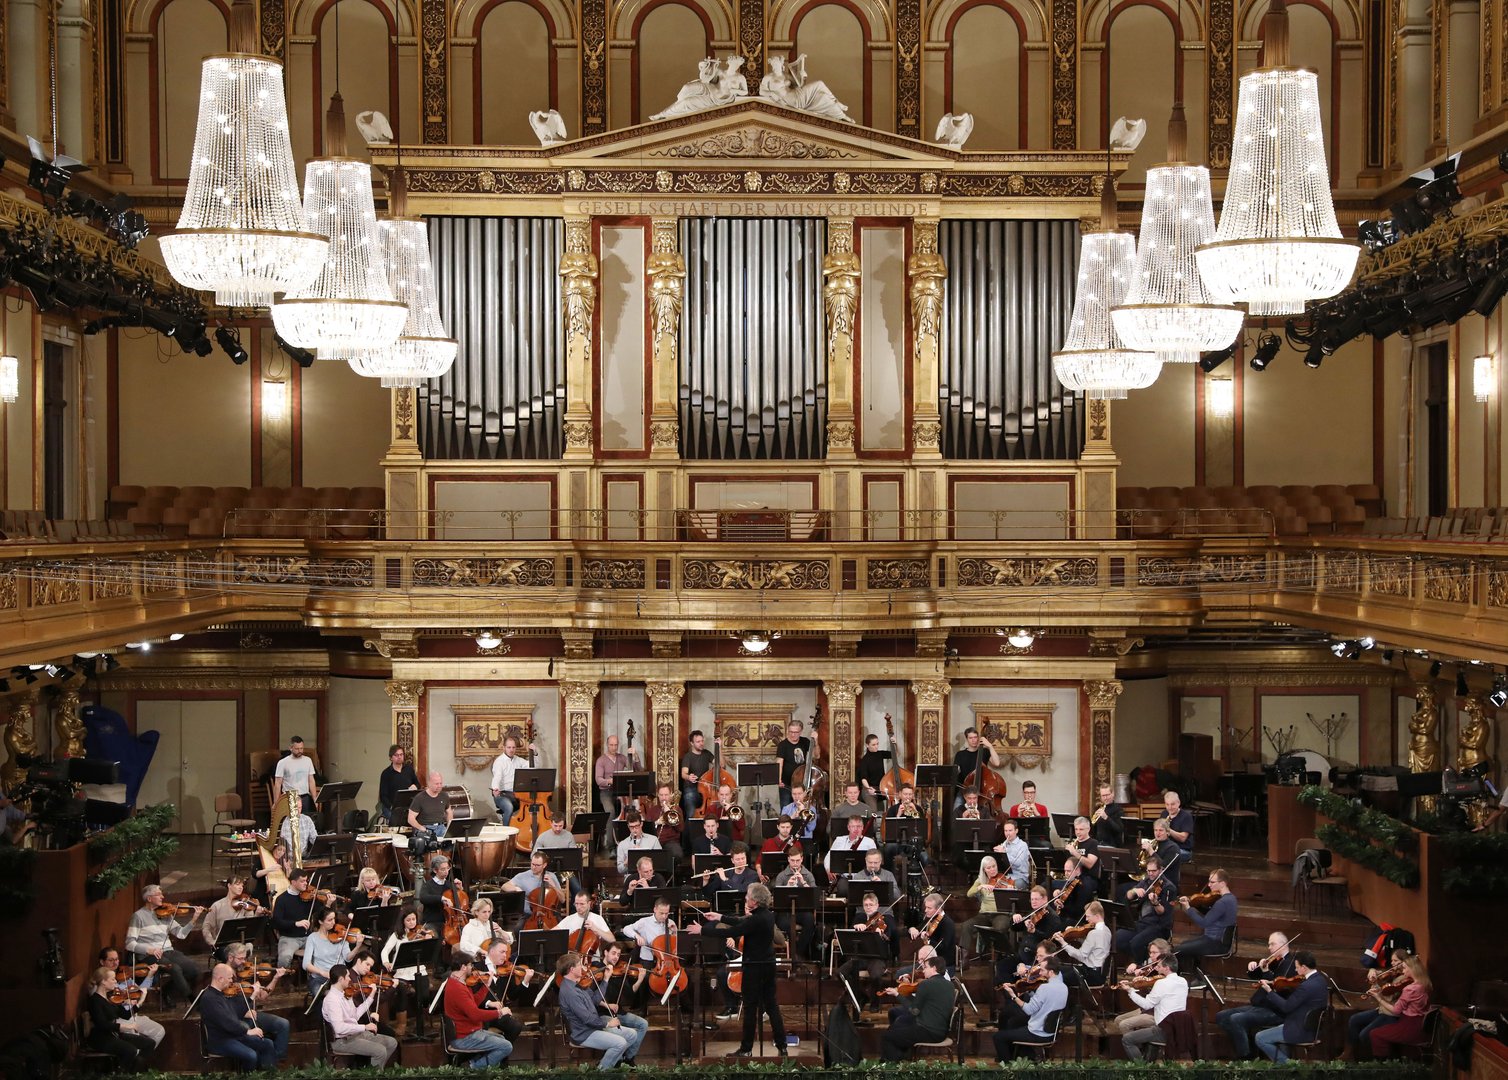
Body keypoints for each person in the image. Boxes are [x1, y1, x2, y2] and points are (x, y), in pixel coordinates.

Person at [688, 882, 787, 1058]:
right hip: (768, 966)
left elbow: (733, 930)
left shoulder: (756, 919)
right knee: (772, 1006)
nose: (745, 898)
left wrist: (702, 929)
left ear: (755, 902)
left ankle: (746, 1049)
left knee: (750, 1009)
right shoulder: (767, 915)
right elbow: (742, 921)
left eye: (747, 896)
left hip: (754, 968)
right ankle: (782, 1047)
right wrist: (719, 917)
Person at [556, 949, 649, 1069]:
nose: (584, 968)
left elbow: (595, 999)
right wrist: (608, 1022)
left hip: (593, 1026)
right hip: (584, 1033)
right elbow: (587, 1019)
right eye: (580, 965)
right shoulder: (570, 992)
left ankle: (611, 1063)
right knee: (620, 1043)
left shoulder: (579, 983)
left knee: (632, 1035)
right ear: (572, 970)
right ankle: (601, 1072)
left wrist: (605, 979)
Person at [1217, 932, 1298, 1059]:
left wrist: (1266, 972)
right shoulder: (1275, 961)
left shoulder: (1291, 964)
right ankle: (1249, 1047)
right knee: (1221, 1016)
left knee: (1236, 1019)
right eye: (1268, 944)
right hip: (1260, 1005)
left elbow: (1278, 986)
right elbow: (1254, 975)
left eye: (1272, 944)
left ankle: (1245, 1057)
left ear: (1283, 945)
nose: (1269, 947)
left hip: (1275, 1010)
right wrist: (1253, 967)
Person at [124, 884, 205, 1005]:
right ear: (149, 898)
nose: (162, 897)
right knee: (175, 968)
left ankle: (167, 991)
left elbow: (181, 934)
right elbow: (129, 944)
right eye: (158, 894)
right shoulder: (138, 916)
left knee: (193, 969)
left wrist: (194, 919)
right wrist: (149, 950)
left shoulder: (166, 914)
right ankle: (191, 999)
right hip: (149, 955)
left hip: (168, 951)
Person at [1348, 952, 1431, 1060]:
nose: (1402, 970)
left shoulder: (1409, 987)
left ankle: (1376, 1063)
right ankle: (1353, 1054)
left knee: (1371, 1034)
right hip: (1415, 1021)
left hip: (1403, 1021)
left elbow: (1396, 1009)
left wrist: (1378, 997)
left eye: (1404, 967)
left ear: (1412, 969)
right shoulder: (1425, 983)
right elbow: (1385, 991)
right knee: (1354, 1020)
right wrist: (1374, 975)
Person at [201, 962, 282, 1070]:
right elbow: (226, 1022)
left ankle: (269, 1074)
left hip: (232, 1035)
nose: (231, 981)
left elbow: (236, 1012)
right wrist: (247, 1031)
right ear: (220, 979)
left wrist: (252, 997)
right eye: (229, 978)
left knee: (267, 1044)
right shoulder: (210, 998)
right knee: (251, 1055)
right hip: (220, 1041)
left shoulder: (220, 995)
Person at [1252, 951, 1330, 1063]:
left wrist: (1270, 992)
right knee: (1279, 1027)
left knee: (1260, 1037)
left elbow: (1286, 1007)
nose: (1295, 970)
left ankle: (1289, 1066)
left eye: (1297, 967)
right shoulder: (1321, 980)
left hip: (1301, 1030)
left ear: (1303, 967)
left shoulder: (1306, 986)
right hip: (1312, 1029)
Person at [442, 956, 514, 1067]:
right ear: (463, 967)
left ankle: (477, 1064)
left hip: (468, 1032)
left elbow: (472, 1002)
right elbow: (475, 1015)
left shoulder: (457, 983)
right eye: (470, 965)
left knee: (501, 1039)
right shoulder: (457, 989)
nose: (472, 968)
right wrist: (500, 1012)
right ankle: (473, 1068)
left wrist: (486, 986)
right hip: (464, 1037)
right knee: (506, 1046)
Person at [323, 963, 398, 1068]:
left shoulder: (346, 994)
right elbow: (339, 1028)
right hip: (342, 1041)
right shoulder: (332, 1000)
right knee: (380, 1051)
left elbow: (355, 1015)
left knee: (391, 1042)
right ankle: (373, 1074)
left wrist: (371, 996)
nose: (350, 979)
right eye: (348, 976)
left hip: (355, 1034)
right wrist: (365, 1027)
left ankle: (374, 1071)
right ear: (341, 979)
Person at [994, 955, 1068, 1060]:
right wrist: (1028, 990)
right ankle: (1024, 1056)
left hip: (1037, 1033)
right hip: (1052, 1032)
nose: (1040, 973)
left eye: (1042, 970)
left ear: (1051, 972)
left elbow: (1029, 1010)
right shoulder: (1064, 987)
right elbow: (1044, 1002)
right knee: (1014, 1023)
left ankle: (1007, 1069)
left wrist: (1013, 996)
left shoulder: (1044, 988)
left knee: (998, 1037)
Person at [880, 954, 953, 1060]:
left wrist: (897, 995)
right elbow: (926, 1004)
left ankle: (890, 1069)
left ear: (934, 968)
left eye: (925, 967)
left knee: (887, 1037)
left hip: (928, 1031)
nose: (923, 971)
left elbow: (914, 1011)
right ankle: (902, 1060)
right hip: (941, 1032)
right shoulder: (949, 985)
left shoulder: (926, 984)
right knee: (896, 1027)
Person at [84, 966, 158, 1069]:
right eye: (113, 979)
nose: (115, 981)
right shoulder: (95, 1001)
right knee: (130, 1050)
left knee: (149, 1043)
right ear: (104, 982)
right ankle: (121, 1073)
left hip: (113, 1034)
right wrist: (122, 1026)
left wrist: (140, 1001)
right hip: (100, 1038)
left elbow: (125, 1015)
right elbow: (101, 1024)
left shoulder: (110, 999)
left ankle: (135, 1070)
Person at [1119, 952, 1189, 1060]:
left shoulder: (1161, 983)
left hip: (1164, 1030)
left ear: (1166, 968)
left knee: (1127, 1039)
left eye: (1159, 966)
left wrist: (1130, 991)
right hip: (1179, 1029)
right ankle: (1147, 1059)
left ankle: (1142, 1069)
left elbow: (1147, 1005)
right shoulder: (1183, 982)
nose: (1156, 968)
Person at [838, 891, 898, 1014]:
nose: (868, 907)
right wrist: (856, 928)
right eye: (866, 905)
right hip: (861, 957)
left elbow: (889, 938)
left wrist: (880, 935)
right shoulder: (859, 918)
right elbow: (850, 936)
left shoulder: (885, 920)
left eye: (871, 904)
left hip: (877, 957)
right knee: (840, 973)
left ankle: (875, 1002)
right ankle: (861, 995)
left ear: (877, 906)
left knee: (876, 975)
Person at [380, 906, 434, 1039]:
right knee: (402, 993)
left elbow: (430, 951)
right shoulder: (398, 935)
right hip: (402, 973)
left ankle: (422, 1022)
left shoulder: (421, 932)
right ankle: (402, 1024)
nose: (412, 922)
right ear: (403, 921)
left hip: (419, 970)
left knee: (425, 996)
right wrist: (386, 962)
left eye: (414, 919)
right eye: (408, 920)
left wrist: (428, 940)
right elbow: (385, 950)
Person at [96, 949, 166, 1047]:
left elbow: (140, 991)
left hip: (131, 1014)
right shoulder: (100, 983)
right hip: (118, 1019)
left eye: (116, 959)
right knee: (135, 1037)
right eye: (111, 960)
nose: (115, 963)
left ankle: (142, 1056)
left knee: (159, 1031)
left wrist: (150, 975)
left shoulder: (126, 976)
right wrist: (124, 1001)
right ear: (102, 962)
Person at [1113, 855, 1174, 963]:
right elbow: (1128, 895)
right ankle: (1145, 959)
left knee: (1136, 943)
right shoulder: (1146, 881)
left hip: (1159, 926)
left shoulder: (1169, 887)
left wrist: (1155, 903)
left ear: (1161, 869)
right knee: (1118, 937)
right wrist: (1134, 891)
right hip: (1143, 922)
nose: (1150, 873)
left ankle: (1140, 966)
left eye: (1153, 871)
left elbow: (1163, 912)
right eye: (1148, 871)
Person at [1173, 868, 1237, 965]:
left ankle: (1181, 977)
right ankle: (1196, 975)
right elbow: (1213, 915)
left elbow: (1204, 923)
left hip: (1215, 943)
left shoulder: (1222, 902)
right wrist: (1193, 904)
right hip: (1218, 941)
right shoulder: (1231, 898)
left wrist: (1188, 908)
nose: (1209, 885)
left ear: (1223, 883)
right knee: (1184, 945)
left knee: (1177, 950)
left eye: (1212, 882)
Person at [961, 855, 1014, 956]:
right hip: (984, 914)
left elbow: (1013, 898)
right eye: (988, 868)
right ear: (984, 870)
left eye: (994, 866)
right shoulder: (980, 880)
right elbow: (969, 894)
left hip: (1001, 914)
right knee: (966, 925)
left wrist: (1010, 890)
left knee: (1000, 928)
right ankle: (964, 957)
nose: (992, 869)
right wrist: (981, 886)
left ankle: (1000, 955)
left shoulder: (1005, 879)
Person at [772, 842, 817, 960]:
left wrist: (803, 882)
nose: (795, 863)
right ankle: (792, 953)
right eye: (792, 861)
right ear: (788, 859)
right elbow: (777, 899)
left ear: (802, 859)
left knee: (810, 920)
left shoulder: (808, 875)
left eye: (797, 860)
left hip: (802, 910)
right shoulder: (782, 876)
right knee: (787, 925)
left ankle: (798, 952)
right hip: (785, 911)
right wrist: (788, 886)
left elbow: (814, 896)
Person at [305, 908, 363, 997]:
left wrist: (358, 946)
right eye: (330, 920)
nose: (333, 922)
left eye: (334, 919)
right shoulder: (312, 938)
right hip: (320, 977)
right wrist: (323, 973)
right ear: (320, 922)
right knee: (319, 992)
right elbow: (306, 964)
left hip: (340, 977)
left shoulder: (341, 935)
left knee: (351, 993)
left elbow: (348, 958)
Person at [1053, 900, 1112, 986]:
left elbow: (1080, 955)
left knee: (1057, 977)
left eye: (1088, 916)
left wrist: (1063, 943)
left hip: (1090, 974)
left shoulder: (1094, 933)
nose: (1086, 919)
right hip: (1099, 973)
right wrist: (1075, 936)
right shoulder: (1107, 930)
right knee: (1058, 969)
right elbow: (1093, 945)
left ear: (1097, 916)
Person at [271, 869, 318, 968]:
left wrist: (327, 903)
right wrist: (295, 923)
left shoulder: (308, 898)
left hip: (307, 937)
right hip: (289, 938)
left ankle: (315, 978)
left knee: (322, 952)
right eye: (302, 881)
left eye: (306, 881)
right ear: (293, 882)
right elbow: (277, 922)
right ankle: (286, 981)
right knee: (285, 958)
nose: (306, 884)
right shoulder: (281, 900)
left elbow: (319, 913)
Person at [502, 851, 566, 917]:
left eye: (537, 865)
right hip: (528, 915)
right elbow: (504, 886)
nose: (534, 867)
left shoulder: (551, 876)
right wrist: (515, 888)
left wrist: (553, 885)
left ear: (544, 865)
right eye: (532, 864)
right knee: (518, 927)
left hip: (548, 915)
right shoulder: (522, 876)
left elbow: (562, 899)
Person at [202, 877, 259, 951]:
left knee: (248, 946)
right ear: (229, 885)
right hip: (222, 945)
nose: (240, 887)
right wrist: (211, 942)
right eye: (237, 884)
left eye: (242, 886)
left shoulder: (246, 905)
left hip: (240, 942)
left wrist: (257, 914)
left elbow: (251, 926)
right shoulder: (217, 905)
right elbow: (206, 927)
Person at [1010, 885, 1061, 965]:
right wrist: (1014, 919)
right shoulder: (1032, 912)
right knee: (1002, 966)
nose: (1033, 902)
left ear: (1045, 899)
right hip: (1022, 954)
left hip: (1035, 957)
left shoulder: (1052, 917)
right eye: (1032, 899)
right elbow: (1014, 928)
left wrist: (1034, 931)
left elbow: (1050, 939)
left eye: (1036, 899)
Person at [909, 891, 956, 972]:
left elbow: (943, 948)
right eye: (926, 907)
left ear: (939, 909)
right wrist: (912, 929)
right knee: (901, 973)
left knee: (902, 973)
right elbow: (918, 930)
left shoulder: (947, 924)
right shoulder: (930, 919)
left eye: (929, 908)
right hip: (928, 963)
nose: (925, 910)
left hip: (941, 966)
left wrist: (928, 940)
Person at [272, 735, 319, 817]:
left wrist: (315, 798)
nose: (300, 751)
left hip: (305, 796)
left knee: (308, 821)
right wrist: (276, 802)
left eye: (301, 748)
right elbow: (278, 783)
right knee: (292, 824)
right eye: (297, 749)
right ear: (291, 748)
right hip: (290, 797)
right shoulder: (283, 763)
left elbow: (311, 780)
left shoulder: (308, 761)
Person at [557, 890, 616, 954]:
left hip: (592, 961)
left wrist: (596, 929)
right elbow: (553, 933)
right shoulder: (569, 919)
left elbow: (612, 939)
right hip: (573, 960)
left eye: (582, 904)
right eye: (576, 904)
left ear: (589, 903)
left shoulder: (597, 918)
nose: (578, 907)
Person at [416, 853, 459, 935]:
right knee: (433, 936)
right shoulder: (428, 885)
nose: (446, 872)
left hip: (449, 922)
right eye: (443, 869)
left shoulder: (450, 885)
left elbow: (458, 902)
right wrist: (441, 898)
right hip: (432, 923)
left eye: (447, 868)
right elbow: (423, 898)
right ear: (435, 870)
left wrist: (460, 890)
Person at [377, 743, 418, 825]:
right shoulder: (386, 773)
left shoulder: (409, 770)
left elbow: (418, 784)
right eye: (396, 755)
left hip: (408, 806)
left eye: (401, 754)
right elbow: (383, 795)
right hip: (392, 807)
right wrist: (391, 807)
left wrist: (415, 786)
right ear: (391, 758)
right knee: (397, 820)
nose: (399, 757)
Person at [594, 734, 632, 821]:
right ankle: (610, 834)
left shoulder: (622, 758)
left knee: (630, 810)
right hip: (606, 792)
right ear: (607, 745)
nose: (614, 748)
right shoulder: (601, 760)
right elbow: (598, 780)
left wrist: (635, 755)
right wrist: (610, 781)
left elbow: (635, 769)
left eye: (616, 745)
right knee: (611, 812)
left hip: (621, 792)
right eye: (611, 745)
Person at [775, 720, 812, 807]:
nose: (793, 734)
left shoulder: (805, 742)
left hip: (803, 785)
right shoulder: (782, 745)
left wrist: (816, 741)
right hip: (786, 785)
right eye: (791, 732)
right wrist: (778, 779)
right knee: (786, 808)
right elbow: (779, 762)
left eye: (796, 732)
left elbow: (816, 756)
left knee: (803, 808)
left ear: (801, 731)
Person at [1049, 855, 1095, 925]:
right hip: (1067, 918)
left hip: (1077, 921)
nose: (1066, 874)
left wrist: (1063, 907)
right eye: (1065, 871)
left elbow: (1078, 910)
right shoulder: (1070, 883)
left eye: (1069, 871)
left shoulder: (1084, 885)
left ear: (1077, 870)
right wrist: (1057, 899)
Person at [643, 784, 684, 861]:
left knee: (677, 854)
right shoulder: (652, 810)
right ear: (658, 795)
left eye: (666, 795)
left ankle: (671, 872)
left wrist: (669, 813)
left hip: (670, 842)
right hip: (654, 841)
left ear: (670, 795)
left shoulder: (676, 809)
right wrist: (656, 823)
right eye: (661, 795)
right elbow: (646, 829)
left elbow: (681, 828)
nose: (663, 798)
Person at [953, 727, 1002, 791]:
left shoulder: (985, 752)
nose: (973, 740)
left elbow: (997, 763)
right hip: (965, 789)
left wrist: (990, 746)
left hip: (982, 788)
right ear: (966, 739)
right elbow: (956, 771)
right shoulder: (960, 754)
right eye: (970, 738)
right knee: (957, 801)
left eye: (975, 737)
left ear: (978, 738)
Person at [407, 771, 454, 838]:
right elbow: (410, 819)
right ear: (429, 784)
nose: (439, 786)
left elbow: (449, 812)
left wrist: (449, 825)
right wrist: (421, 828)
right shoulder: (419, 798)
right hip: (426, 828)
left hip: (441, 827)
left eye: (441, 783)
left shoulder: (444, 796)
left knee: (452, 842)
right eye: (436, 784)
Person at [679, 730, 714, 820]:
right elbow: (683, 774)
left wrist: (720, 748)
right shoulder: (688, 756)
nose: (701, 743)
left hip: (705, 789)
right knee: (691, 814)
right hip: (691, 788)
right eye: (698, 742)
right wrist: (689, 777)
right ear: (692, 743)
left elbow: (721, 765)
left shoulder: (707, 753)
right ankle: (690, 832)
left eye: (702, 741)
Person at [487, 736, 522, 823]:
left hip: (516, 795)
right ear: (504, 748)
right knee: (509, 807)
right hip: (502, 795)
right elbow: (497, 777)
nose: (511, 750)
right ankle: (506, 833)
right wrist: (495, 788)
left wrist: (535, 753)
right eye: (509, 747)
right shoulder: (499, 761)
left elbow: (532, 766)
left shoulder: (518, 760)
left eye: (513, 747)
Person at [1066, 815, 1103, 890]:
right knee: (1050, 884)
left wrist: (1075, 853)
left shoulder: (1093, 843)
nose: (1078, 832)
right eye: (1076, 829)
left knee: (1079, 887)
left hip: (1088, 878)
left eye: (1081, 829)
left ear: (1088, 829)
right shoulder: (1073, 844)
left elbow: (1090, 864)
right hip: (1072, 877)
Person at [856, 736, 891, 813]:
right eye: (873, 745)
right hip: (869, 788)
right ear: (867, 745)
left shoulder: (880, 754)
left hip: (881, 787)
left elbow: (895, 754)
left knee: (892, 807)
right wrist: (868, 788)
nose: (876, 747)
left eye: (877, 744)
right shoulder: (865, 760)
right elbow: (863, 778)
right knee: (873, 811)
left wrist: (894, 743)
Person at [992, 819, 1033, 886]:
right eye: (1006, 831)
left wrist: (1004, 853)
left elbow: (1018, 863)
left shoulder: (1022, 845)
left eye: (1010, 830)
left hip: (1020, 877)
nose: (1008, 833)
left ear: (1016, 831)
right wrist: (997, 855)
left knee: (1017, 884)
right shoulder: (1004, 844)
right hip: (1006, 876)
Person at [1090, 783, 1125, 847]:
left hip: (1112, 845)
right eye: (1103, 796)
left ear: (1113, 794)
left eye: (1107, 795)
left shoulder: (1118, 809)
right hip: (1098, 844)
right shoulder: (1099, 809)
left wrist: (1106, 817)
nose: (1105, 798)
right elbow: (1094, 830)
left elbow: (1119, 829)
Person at [1162, 791, 1195, 857]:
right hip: (1168, 847)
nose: (1170, 807)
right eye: (1167, 804)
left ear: (1178, 803)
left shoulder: (1186, 816)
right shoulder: (1164, 813)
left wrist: (1168, 830)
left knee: (1164, 855)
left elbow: (1183, 838)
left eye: (1172, 804)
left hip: (1183, 849)